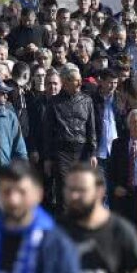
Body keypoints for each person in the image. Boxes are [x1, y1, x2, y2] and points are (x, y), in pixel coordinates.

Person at [42, 64, 96, 209]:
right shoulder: (53, 102)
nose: (79, 83)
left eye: (79, 80)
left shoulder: (87, 100)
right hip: (62, 152)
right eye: (75, 80)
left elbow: (91, 128)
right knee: (64, 191)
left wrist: (92, 153)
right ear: (65, 82)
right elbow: (47, 132)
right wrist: (47, 158)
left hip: (81, 151)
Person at [106, 109, 137, 227]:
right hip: (124, 196)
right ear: (128, 125)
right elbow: (110, 173)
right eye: (133, 122)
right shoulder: (118, 144)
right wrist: (115, 187)